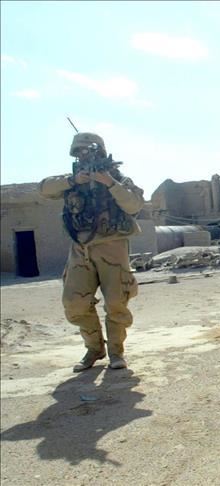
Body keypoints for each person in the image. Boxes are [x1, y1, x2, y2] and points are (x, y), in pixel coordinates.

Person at [39, 132, 145, 372]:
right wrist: (72, 180)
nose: (83, 155)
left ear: (100, 151)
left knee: (116, 302)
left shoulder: (118, 178)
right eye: (78, 152)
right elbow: (44, 189)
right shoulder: (72, 181)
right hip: (81, 248)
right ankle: (94, 348)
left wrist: (110, 183)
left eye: (87, 150)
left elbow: (134, 205)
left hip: (112, 246)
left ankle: (116, 352)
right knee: (74, 302)